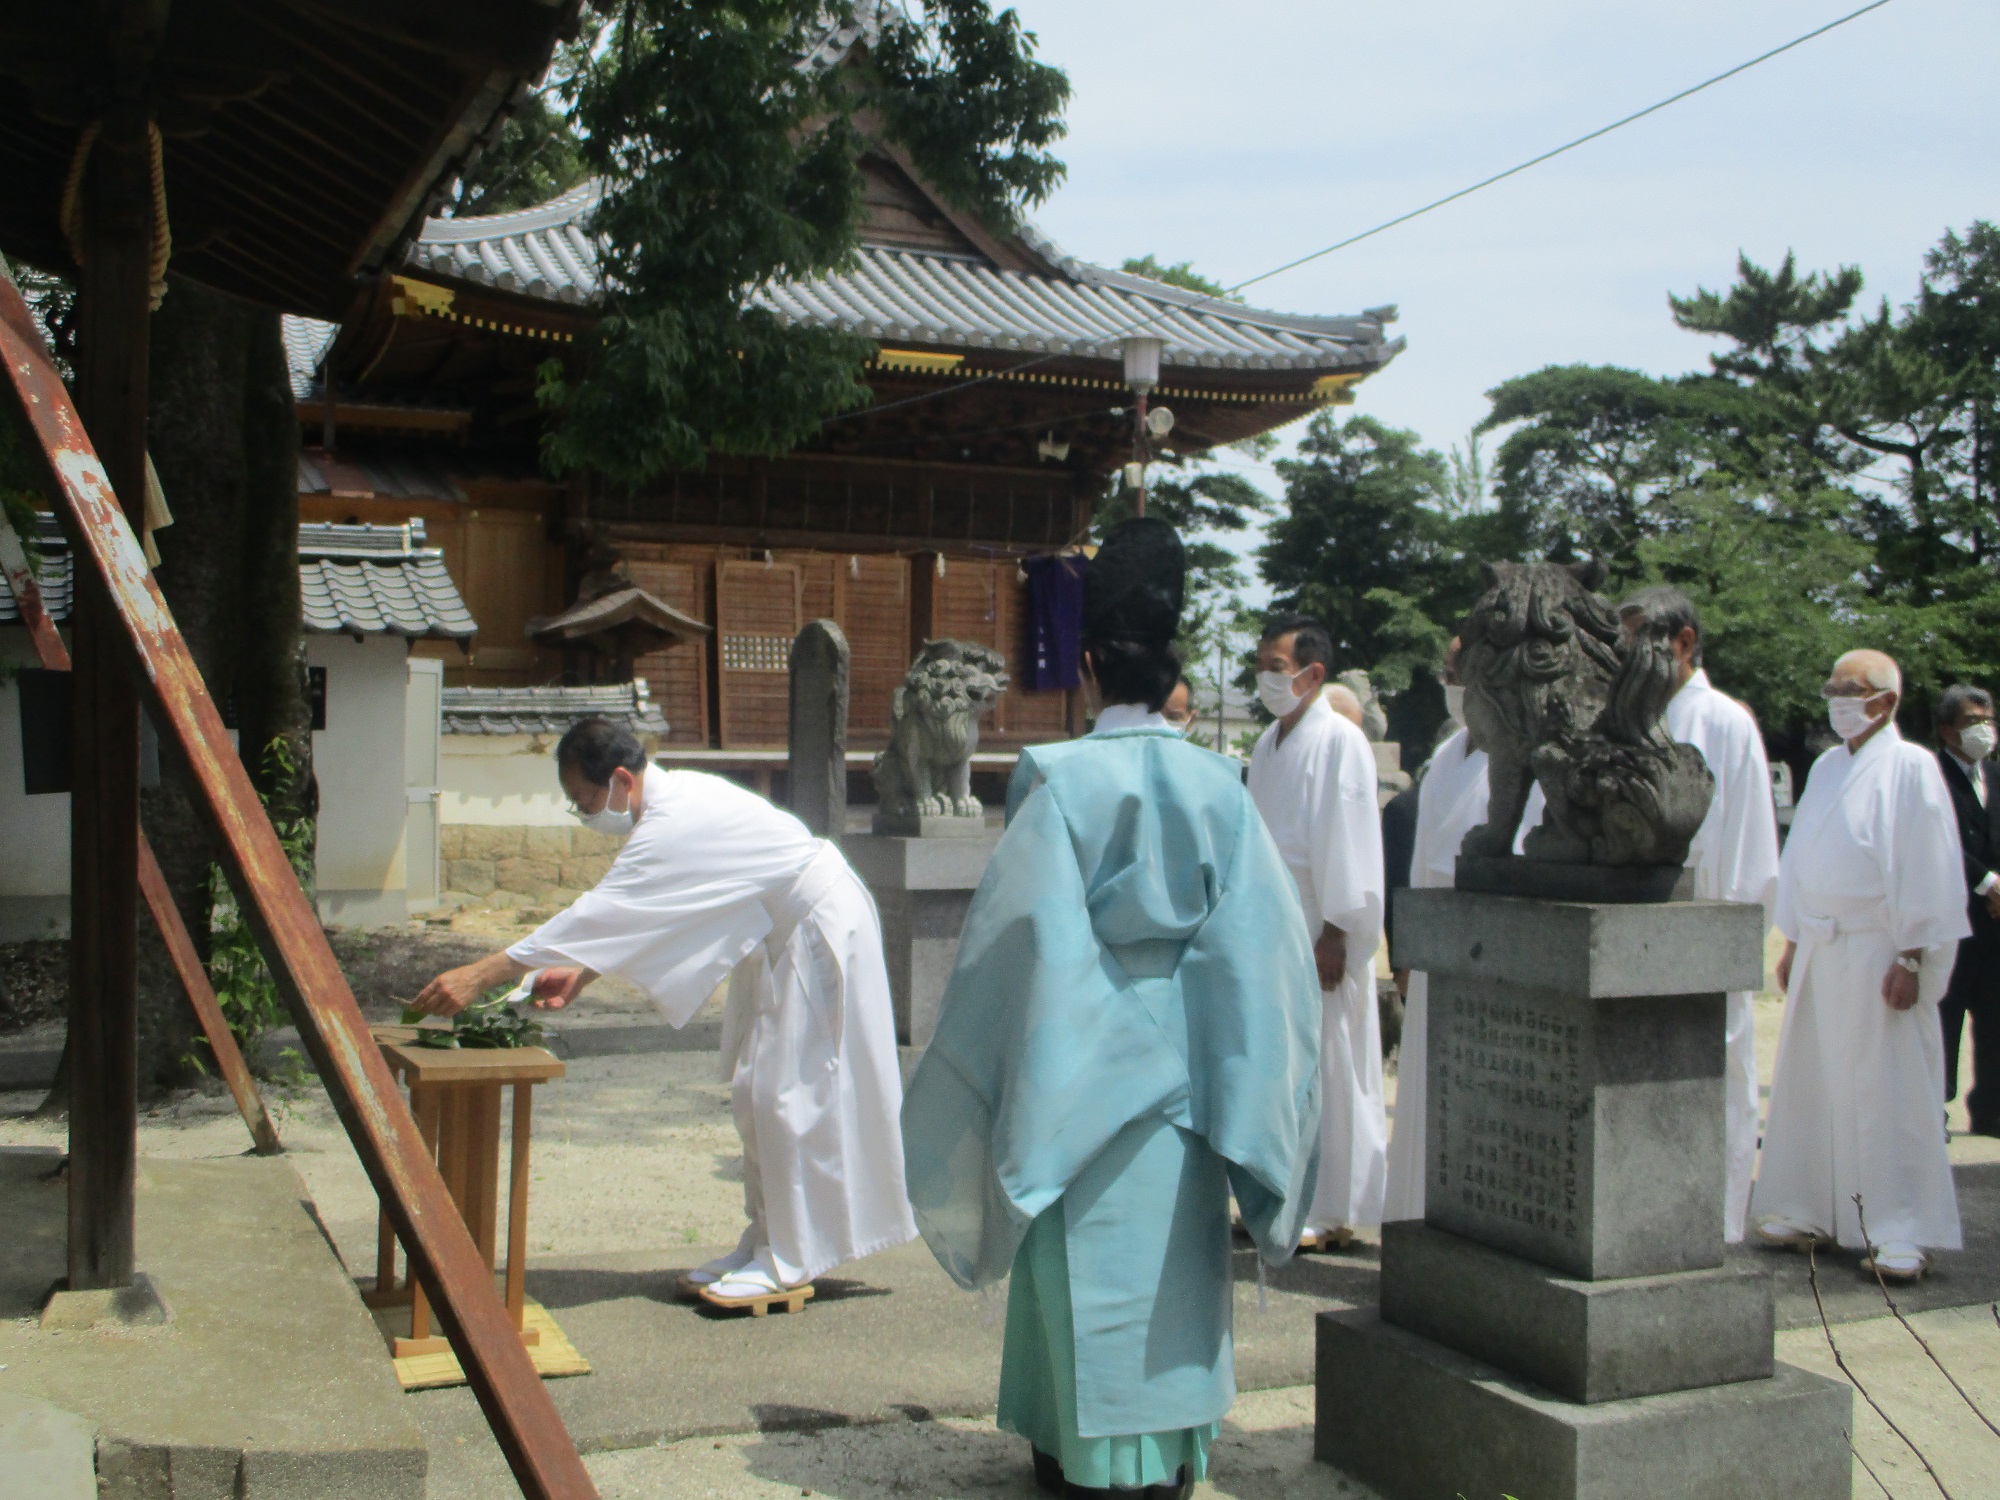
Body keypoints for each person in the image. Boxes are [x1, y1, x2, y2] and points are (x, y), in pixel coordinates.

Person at [901, 519, 1321, 1500]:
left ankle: (1072, 1460)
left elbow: (1023, 949)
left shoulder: (1057, 779)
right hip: (1187, 1088)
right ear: (1174, 672)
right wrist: (1230, 1083)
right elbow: (1262, 962)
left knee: (1074, 1282)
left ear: (1086, 665)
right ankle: (1167, 1464)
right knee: (1172, 1285)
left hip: (1075, 1084)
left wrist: (1056, 1062)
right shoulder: (1221, 784)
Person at [413, 718, 916, 1311]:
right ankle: (768, 1238)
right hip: (783, 936)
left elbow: (604, 911)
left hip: (818, 929)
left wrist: (482, 973)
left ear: (621, 779)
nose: (586, 814)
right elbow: (647, 911)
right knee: (756, 1094)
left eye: (585, 801)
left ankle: (791, 1257)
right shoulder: (670, 807)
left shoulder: (674, 818)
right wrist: (583, 972)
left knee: (789, 1098)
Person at [1749, 650, 1968, 1282]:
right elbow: (1807, 857)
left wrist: (1913, 954)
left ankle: (1902, 1227)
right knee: (1817, 1081)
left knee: (1887, 1088)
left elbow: (1929, 864)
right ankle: (1813, 1207)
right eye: (1834, 688)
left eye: (1855, 690)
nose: (1840, 699)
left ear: (1887, 700)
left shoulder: (1911, 767)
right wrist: (1793, 941)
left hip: (1882, 946)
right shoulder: (1823, 767)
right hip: (1823, 946)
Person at [1619, 588, 1781, 1242]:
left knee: (1714, 1077)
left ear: (1683, 643)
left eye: (1638, 641)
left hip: (1704, 923)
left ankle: (1715, 1222)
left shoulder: (1725, 722)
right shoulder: (1628, 717)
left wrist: (1730, 943)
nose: (1626, 656)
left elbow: (1750, 850)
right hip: (1637, 927)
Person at [1247, 614, 1387, 1249]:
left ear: (1312, 673)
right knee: (1280, 1069)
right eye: (1263, 667)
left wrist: (1336, 930)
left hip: (1318, 928)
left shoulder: (1340, 741)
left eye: (1276, 668)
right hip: (1272, 926)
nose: (1265, 680)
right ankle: (1279, 1191)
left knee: (1329, 1066)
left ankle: (1330, 1210)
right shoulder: (1267, 745)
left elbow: (1350, 837)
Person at [1381, 638, 1488, 1223]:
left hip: (1481, 948)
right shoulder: (1448, 757)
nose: (1450, 681)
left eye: (1459, 670)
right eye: (1446, 671)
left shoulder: (1522, 756)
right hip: (1434, 950)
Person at [1933, 684, 2000, 1136]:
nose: (1983, 730)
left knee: (1995, 1018)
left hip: (1995, 925)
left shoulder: (1995, 775)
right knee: (1944, 1016)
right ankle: (1932, 1107)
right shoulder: (1931, 775)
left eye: (1988, 720)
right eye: (1972, 722)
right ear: (1946, 730)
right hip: (1951, 917)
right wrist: (1986, 880)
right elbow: (1939, 841)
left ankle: (1991, 1109)